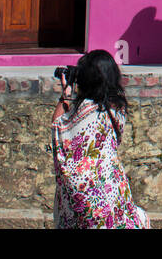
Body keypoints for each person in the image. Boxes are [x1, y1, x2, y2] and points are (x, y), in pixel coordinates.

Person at [51, 50, 149, 228]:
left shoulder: (82, 112)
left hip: (78, 198)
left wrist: (66, 91)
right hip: (110, 193)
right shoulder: (116, 109)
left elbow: (58, 125)